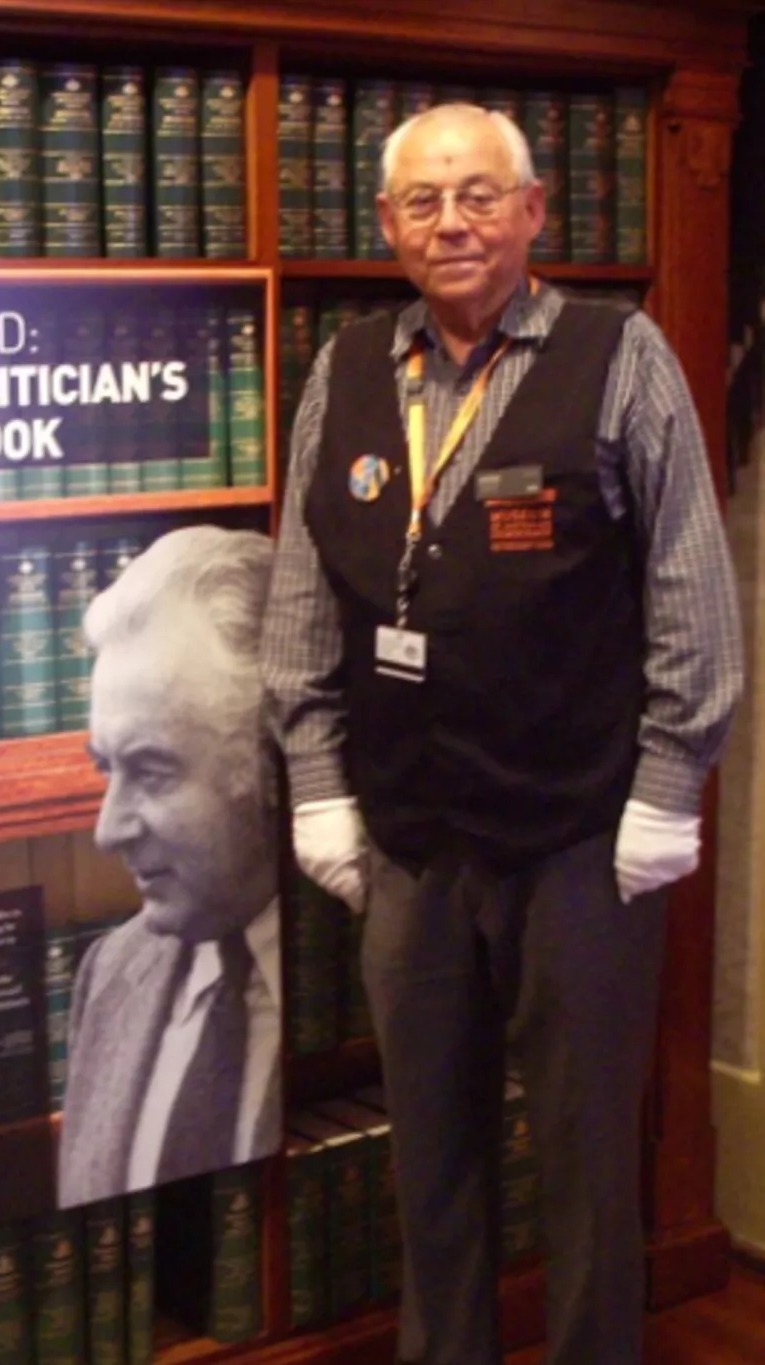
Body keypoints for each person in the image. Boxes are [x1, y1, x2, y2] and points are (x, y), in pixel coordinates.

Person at [261, 102, 743, 1365]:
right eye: (423, 201)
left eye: (480, 194)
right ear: (386, 226)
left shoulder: (618, 351)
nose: (453, 221)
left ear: (533, 212)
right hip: (407, 842)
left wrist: (666, 789)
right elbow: (305, 590)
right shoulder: (349, 367)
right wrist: (316, 782)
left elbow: (693, 590)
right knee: (434, 1160)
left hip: (578, 839)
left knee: (586, 1168)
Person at [58, 525, 282, 1209]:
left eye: (152, 771)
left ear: (273, 761)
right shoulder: (109, 974)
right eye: (106, 768)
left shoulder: (394, 973)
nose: (107, 829)